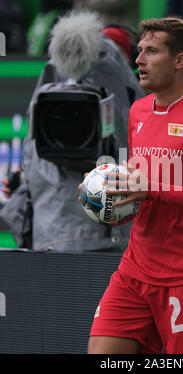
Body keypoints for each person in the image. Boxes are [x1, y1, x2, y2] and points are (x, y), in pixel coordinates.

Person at [85, 17, 183, 354]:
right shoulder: (138, 111)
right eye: (139, 51)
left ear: (180, 60)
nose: (139, 60)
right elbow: (137, 189)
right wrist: (104, 196)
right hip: (135, 270)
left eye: (152, 51)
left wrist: (151, 189)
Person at [0, 11, 144, 252]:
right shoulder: (126, 103)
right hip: (108, 237)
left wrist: (24, 189)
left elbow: (33, 161)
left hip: (49, 234)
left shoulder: (46, 94)